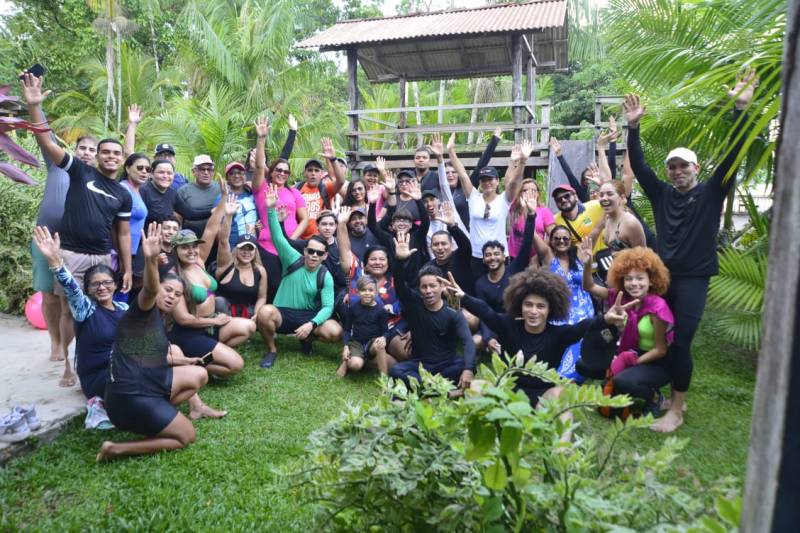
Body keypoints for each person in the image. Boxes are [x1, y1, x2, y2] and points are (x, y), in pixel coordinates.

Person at [621, 68, 756, 432]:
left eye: (684, 166)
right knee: (659, 336)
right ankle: (659, 389)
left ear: (695, 168)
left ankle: (676, 409)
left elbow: (732, 156)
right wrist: (633, 128)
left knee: (681, 341)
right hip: (663, 278)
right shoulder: (662, 193)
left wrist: (740, 110)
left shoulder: (712, 192)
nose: (677, 171)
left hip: (695, 279)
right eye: (673, 167)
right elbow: (641, 166)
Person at [22, 72, 133, 388]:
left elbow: (122, 233)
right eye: (106, 152)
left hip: (101, 257)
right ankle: (68, 365)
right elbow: (46, 142)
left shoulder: (122, 193)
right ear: (98, 156)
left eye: (117, 153)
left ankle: (93, 359)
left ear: (122, 159)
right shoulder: (79, 170)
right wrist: (34, 107)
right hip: (69, 254)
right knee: (70, 310)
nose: (111, 156)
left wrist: (124, 265)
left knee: (96, 311)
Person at [97, 223, 225, 462]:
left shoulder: (159, 318)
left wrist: (184, 360)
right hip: (130, 397)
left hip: (146, 383)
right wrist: (151, 260)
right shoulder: (142, 311)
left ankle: (171, 413)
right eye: (168, 290)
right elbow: (149, 288)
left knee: (198, 374)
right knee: (186, 436)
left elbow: (149, 353)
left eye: (177, 295)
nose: (171, 297)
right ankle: (115, 448)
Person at [444, 267, 633, 408]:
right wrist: (463, 297)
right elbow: (486, 312)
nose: (533, 311)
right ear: (520, 305)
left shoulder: (560, 335)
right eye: (528, 305)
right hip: (508, 391)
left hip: (544, 394)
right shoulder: (508, 326)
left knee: (562, 396)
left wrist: (606, 318)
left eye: (540, 306)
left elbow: (583, 326)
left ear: (550, 309)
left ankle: (560, 452)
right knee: (475, 387)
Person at [28, 106, 96, 380]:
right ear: (75, 149)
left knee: (67, 297)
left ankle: (71, 346)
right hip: (44, 236)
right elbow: (43, 133)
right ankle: (55, 342)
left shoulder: (95, 177)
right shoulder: (58, 164)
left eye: (93, 150)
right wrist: (36, 105)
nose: (87, 153)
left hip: (72, 243)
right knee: (48, 294)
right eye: (84, 148)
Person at [579, 241, 674, 414]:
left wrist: (630, 363)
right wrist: (587, 264)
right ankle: (618, 382)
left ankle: (654, 397)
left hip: (655, 361)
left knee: (624, 382)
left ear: (651, 280)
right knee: (584, 365)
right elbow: (589, 286)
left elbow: (661, 350)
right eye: (628, 278)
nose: (634, 283)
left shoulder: (658, 308)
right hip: (627, 352)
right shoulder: (621, 296)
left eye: (640, 278)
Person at [32, 226, 125, 402]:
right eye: (95, 284)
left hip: (121, 367)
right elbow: (71, 287)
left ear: (115, 285)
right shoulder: (86, 309)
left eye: (107, 282)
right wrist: (54, 260)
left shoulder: (123, 308)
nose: (102, 287)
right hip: (100, 376)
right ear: (88, 289)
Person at [257, 184, 343, 368]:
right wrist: (271, 209)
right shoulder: (291, 258)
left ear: (325, 256)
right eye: (311, 251)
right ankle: (272, 349)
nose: (314, 255)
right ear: (304, 251)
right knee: (264, 313)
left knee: (335, 331)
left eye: (319, 253)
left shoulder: (324, 275)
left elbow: (328, 307)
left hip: (307, 316)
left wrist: (311, 324)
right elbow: (278, 237)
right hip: (283, 313)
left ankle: (307, 339)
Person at [168, 188, 250, 377]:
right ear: (175, 251)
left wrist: (224, 206)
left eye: (194, 246)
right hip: (190, 333)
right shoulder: (175, 277)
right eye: (185, 248)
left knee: (247, 327)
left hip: (211, 326)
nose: (191, 251)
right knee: (236, 365)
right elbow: (182, 319)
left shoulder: (199, 262)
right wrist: (214, 320)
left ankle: (212, 351)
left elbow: (213, 230)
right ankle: (196, 363)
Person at [388, 233, 476, 392]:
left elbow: (467, 342)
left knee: (463, 365)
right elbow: (400, 285)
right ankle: (439, 388)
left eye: (433, 286)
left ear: (442, 287)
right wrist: (400, 261)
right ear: (419, 289)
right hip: (420, 364)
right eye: (424, 287)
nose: (428, 291)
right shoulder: (414, 304)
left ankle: (424, 388)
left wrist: (469, 368)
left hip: (447, 364)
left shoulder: (453, 313)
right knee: (396, 371)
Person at [529, 210, 596, 380]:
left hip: (583, 309)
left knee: (578, 335)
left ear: (570, 241)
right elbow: (533, 235)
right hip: (560, 310)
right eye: (557, 238)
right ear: (550, 241)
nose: (561, 241)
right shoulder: (548, 257)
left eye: (565, 238)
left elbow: (597, 230)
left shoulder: (580, 255)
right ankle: (554, 371)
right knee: (559, 333)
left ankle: (569, 376)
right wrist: (529, 213)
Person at [448, 140, 529, 278]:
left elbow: (514, 182)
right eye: (483, 180)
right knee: (478, 291)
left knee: (501, 293)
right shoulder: (473, 197)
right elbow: (462, 175)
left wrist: (522, 162)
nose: (487, 183)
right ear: (479, 183)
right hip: (477, 255)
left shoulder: (503, 199)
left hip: (499, 256)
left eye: (490, 179)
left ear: (497, 181)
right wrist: (451, 151)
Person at [337, 207, 408, 363]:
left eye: (382, 259)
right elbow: (344, 250)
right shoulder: (358, 274)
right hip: (361, 333)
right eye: (373, 259)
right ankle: (370, 358)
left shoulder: (396, 280)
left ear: (388, 264)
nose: (378, 262)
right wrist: (341, 224)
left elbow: (409, 305)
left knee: (404, 352)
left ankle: (377, 357)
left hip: (390, 330)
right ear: (365, 264)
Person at [251, 118, 309, 302]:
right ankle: (270, 317)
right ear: (272, 171)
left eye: (286, 171)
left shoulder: (293, 192)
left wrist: (291, 239)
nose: (282, 173)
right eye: (278, 170)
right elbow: (259, 166)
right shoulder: (262, 188)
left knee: (292, 282)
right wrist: (261, 139)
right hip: (268, 246)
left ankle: (288, 317)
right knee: (272, 283)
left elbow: (305, 219)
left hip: (290, 246)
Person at [443, 127, 503, 229]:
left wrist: (494, 140)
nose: (450, 175)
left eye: (454, 172)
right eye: (447, 173)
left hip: (464, 235)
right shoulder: (440, 190)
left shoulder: (466, 189)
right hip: (444, 236)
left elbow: (481, 164)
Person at [589, 180, 646, 280]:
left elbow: (643, 258)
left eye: (610, 194)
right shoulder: (607, 219)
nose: (604, 198)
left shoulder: (630, 223)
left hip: (634, 279)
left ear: (622, 198)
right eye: (601, 195)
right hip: (619, 274)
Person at [336, 276, 391, 378]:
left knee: (380, 345)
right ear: (357, 292)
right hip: (357, 343)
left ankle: (384, 379)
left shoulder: (381, 310)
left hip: (372, 344)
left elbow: (386, 332)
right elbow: (347, 330)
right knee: (355, 365)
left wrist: (384, 338)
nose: (367, 293)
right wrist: (346, 346)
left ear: (376, 292)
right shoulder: (353, 307)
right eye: (363, 290)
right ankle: (347, 362)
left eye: (370, 290)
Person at [298, 138, 346, 239]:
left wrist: (333, 159)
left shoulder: (326, 188)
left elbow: (341, 181)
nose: (313, 173)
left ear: (322, 174)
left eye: (316, 170)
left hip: (322, 238)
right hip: (301, 240)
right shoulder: (297, 189)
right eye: (310, 170)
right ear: (305, 173)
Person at [119, 153, 150, 290]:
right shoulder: (123, 189)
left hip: (132, 253)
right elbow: (116, 226)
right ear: (127, 169)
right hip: (120, 254)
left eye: (148, 169)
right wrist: (122, 259)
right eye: (140, 168)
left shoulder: (137, 190)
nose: (144, 171)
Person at [507, 178, 555, 263]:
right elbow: (510, 185)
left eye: (533, 190)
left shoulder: (544, 211)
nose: (529, 193)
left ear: (538, 194)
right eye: (525, 190)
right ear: (519, 193)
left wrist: (542, 249)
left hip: (536, 258)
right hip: (516, 257)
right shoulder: (514, 208)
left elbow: (553, 235)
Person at [174, 154, 221, 241]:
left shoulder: (221, 188)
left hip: (216, 239)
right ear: (193, 171)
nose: (206, 172)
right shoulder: (183, 191)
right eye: (202, 169)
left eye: (209, 169)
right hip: (190, 240)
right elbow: (178, 219)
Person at [224, 158, 258, 249]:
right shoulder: (223, 197)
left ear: (245, 176)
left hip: (254, 246)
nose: (236, 176)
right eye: (232, 173)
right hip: (234, 247)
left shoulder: (252, 193)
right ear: (227, 178)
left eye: (240, 173)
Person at [140, 159, 178, 226]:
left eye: (169, 173)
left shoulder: (173, 192)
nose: (165, 176)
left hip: (165, 234)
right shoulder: (142, 191)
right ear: (151, 174)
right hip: (145, 234)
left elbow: (187, 213)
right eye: (161, 172)